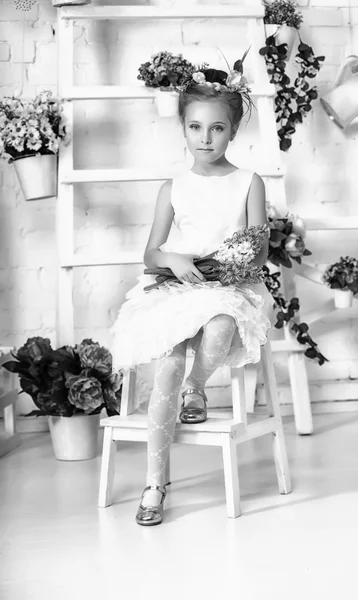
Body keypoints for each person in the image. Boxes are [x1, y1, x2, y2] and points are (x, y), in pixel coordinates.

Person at [111, 61, 273, 526]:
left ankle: (196, 389)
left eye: (217, 128)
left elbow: (257, 251)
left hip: (230, 286)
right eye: (196, 127)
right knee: (167, 362)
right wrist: (175, 260)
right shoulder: (173, 187)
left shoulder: (248, 182)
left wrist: (230, 266)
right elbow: (150, 255)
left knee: (220, 329)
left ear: (233, 131)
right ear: (182, 128)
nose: (206, 138)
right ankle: (155, 482)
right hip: (179, 287)